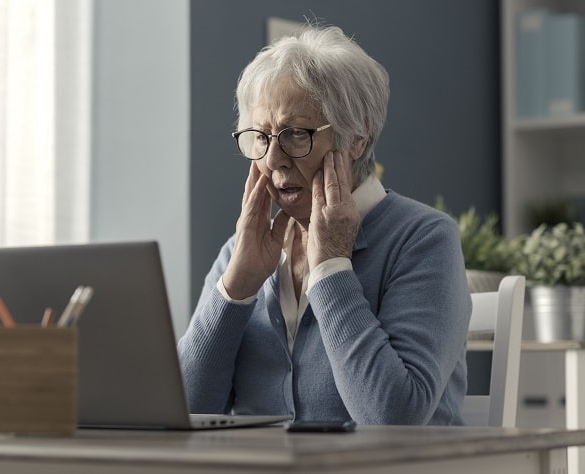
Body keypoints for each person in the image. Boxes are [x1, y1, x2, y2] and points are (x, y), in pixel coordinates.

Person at [177, 24, 471, 425]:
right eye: (261, 137)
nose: (274, 159)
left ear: (357, 138)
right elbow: (183, 412)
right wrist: (234, 290)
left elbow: (394, 419)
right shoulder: (240, 251)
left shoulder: (423, 240)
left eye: (295, 134)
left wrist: (332, 266)